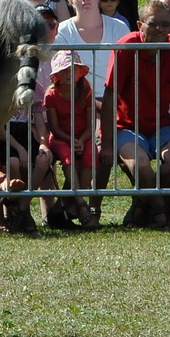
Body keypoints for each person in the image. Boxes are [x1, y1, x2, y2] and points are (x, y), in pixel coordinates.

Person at [107, 0, 170, 228]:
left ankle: (141, 202)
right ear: (140, 25)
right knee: (139, 164)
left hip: (163, 125)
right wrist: (107, 140)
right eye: (153, 24)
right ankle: (159, 209)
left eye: (165, 24)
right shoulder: (125, 47)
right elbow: (109, 96)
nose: (160, 29)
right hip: (126, 126)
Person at [40, 50, 110, 229]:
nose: (69, 74)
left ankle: (63, 209)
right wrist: (71, 140)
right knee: (68, 156)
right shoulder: (51, 95)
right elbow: (54, 128)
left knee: (90, 155)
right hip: (60, 138)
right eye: (64, 70)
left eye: (73, 69)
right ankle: (80, 204)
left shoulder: (86, 89)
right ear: (56, 76)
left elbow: (90, 122)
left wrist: (82, 139)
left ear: (80, 72)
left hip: (83, 136)